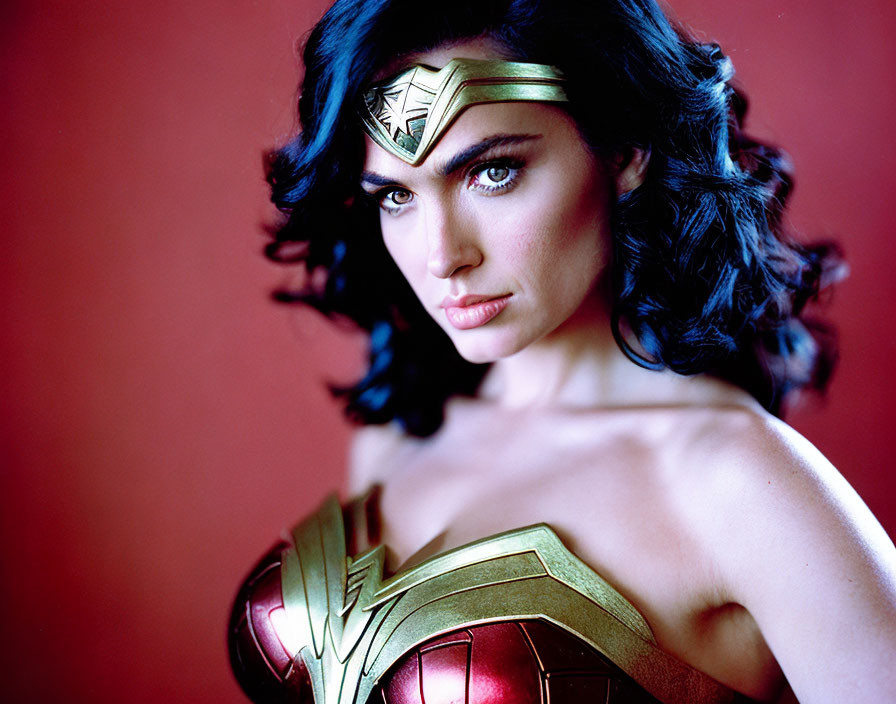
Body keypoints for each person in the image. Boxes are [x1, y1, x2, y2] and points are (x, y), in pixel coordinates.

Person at [228, 1, 896, 702]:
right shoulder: (398, 437)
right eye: (396, 196)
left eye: (492, 173)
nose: (442, 255)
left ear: (626, 150)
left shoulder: (733, 481)